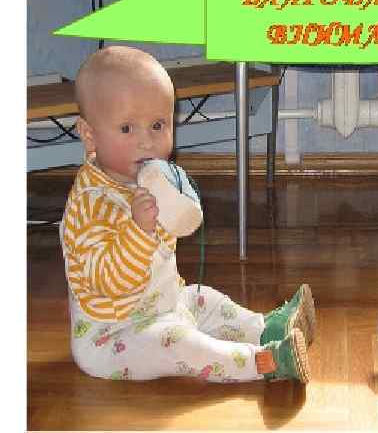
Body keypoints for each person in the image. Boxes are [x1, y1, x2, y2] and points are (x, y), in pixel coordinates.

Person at [61, 45, 314, 383]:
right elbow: (109, 282)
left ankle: (266, 328)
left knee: (202, 298)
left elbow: (171, 239)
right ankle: (263, 362)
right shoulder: (90, 204)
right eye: (127, 129)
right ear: (90, 135)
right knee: (180, 344)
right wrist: (138, 231)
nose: (146, 142)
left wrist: (178, 205)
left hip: (163, 304)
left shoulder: (147, 178)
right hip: (116, 335)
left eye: (157, 125)